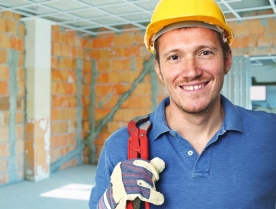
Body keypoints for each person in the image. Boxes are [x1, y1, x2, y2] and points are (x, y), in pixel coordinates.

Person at [89, 0, 276, 208]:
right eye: (175, 57)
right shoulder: (119, 146)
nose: (191, 71)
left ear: (227, 59)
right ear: (159, 70)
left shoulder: (271, 133)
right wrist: (108, 203)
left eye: (204, 52)